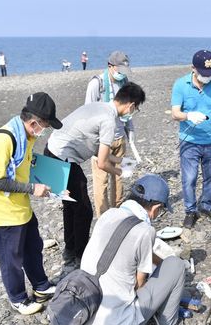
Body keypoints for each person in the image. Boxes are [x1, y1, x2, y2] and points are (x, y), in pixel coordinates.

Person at [45, 82, 146, 271]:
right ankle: (80, 256)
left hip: (50, 150)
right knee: (84, 210)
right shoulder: (109, 120)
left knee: (70, 205)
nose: (134, 111)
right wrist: (121, 172)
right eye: (136, 108)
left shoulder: (98, 106)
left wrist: (121, 161)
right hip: (63, 158)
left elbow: (99, 152)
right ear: (131, 105)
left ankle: (70, 250)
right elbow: (101, 163)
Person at [0, 93, 63, 315]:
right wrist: (32, 189)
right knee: (11, 259)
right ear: (34, 122)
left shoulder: (27, 135)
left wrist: (57, 184)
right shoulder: (4, 139)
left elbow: (27, 166)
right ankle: (18, 298)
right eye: (45, 124)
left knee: (33, 248)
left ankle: (42, 287)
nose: (45, 129)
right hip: (3, 214)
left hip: (21, 209)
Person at [81, 174, 186, 325]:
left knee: (165, 266)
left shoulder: (108, 216)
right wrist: (168, 276)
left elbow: (127, 249)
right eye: (160, 211)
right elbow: (139, 284)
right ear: (156, 207)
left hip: (84, 317)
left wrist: (162, 265)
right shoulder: (145, 231)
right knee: (176, 265)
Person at [171, 50, 211, 229]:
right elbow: (175, 113)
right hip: (189, 140)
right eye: (204, 74)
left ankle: (206, 205)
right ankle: (190, 210)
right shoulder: (181, 85)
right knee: (189, 178)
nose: (208, 77)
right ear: (193, 69)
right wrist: (188, 116)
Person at [85, 51, 139, 216]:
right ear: (110, 66)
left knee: (118, 177)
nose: (122, 73)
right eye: (120, 69)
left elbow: (128, 109)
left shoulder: (124, 83)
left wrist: (130, 131)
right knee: (101, 181)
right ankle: (103, 215)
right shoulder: (97, 84)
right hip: (101, 141)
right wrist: (93, 142)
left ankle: (118, 210)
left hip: (119, 137)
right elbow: (88, 113)